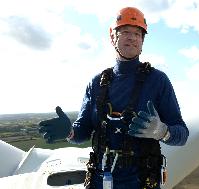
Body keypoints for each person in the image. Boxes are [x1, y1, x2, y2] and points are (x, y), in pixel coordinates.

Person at [39, 7, 189, 189]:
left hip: (141, 180)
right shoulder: (96, 83)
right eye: (125, 32)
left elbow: (182, 135)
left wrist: (162, 131)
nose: (133, 38)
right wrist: (70, 132)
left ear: (142, 41)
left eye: (138, 33)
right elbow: (83, 130)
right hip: (99, 178)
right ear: (113, 37)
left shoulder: (157, 81)